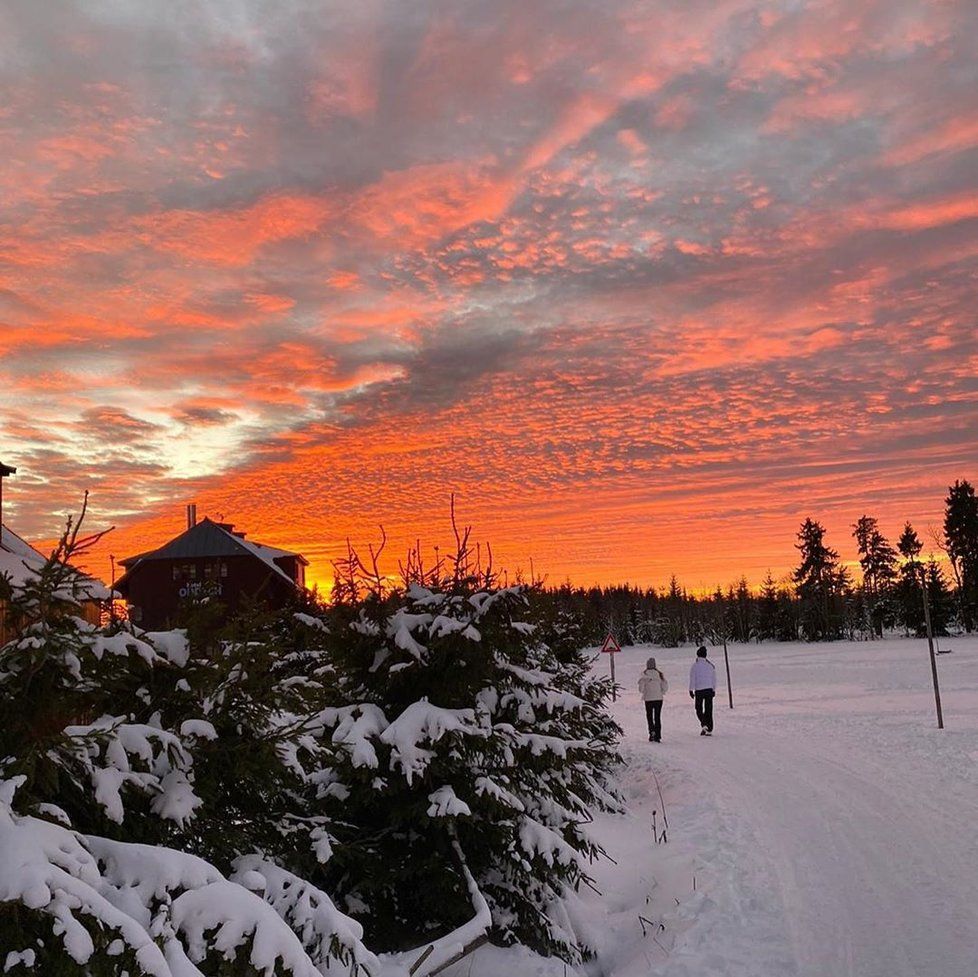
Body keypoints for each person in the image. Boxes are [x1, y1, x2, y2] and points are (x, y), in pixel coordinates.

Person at [638, 657, 668, 742]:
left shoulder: (644, 675)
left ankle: (651, 733)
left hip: (648, 699)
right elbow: (665, 687)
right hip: (658, 698)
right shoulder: (660, 674)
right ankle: (658, 735)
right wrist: (661, 692)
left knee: (649, 716)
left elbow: (641, 689)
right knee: (657, 717)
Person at [689, 646, 716, 736]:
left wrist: (691, 690)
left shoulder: (695, 666)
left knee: (698, 708)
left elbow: (692, 678)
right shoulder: (710, 666)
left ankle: (704, 723)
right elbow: (714, 679)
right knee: (709, 709)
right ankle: (709, 728)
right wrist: (713, 689)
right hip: (709, 689)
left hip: (699, 690)